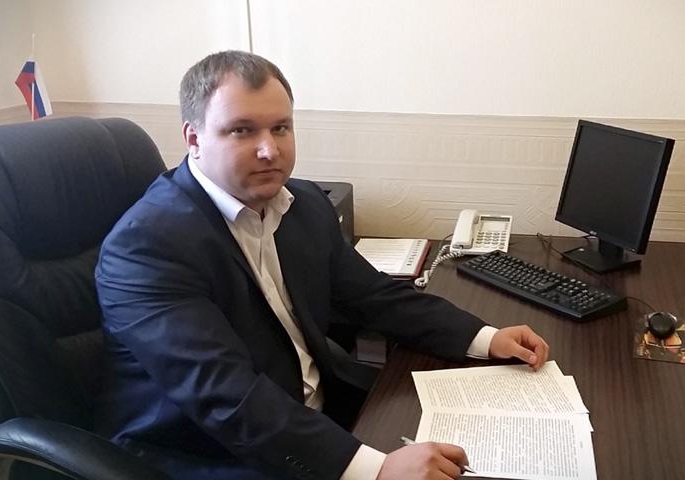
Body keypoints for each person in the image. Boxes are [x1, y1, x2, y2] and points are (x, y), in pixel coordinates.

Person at [94, 50, 550, 480]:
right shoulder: (146, 248)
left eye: (280, 128)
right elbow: (226, 396)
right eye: (242, 131)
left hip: (314, 416)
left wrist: (484, 338)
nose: (270, 150)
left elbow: (374, 296)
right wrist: (376, 470)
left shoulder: (303, 203)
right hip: (210, 452)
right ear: (194, 138)